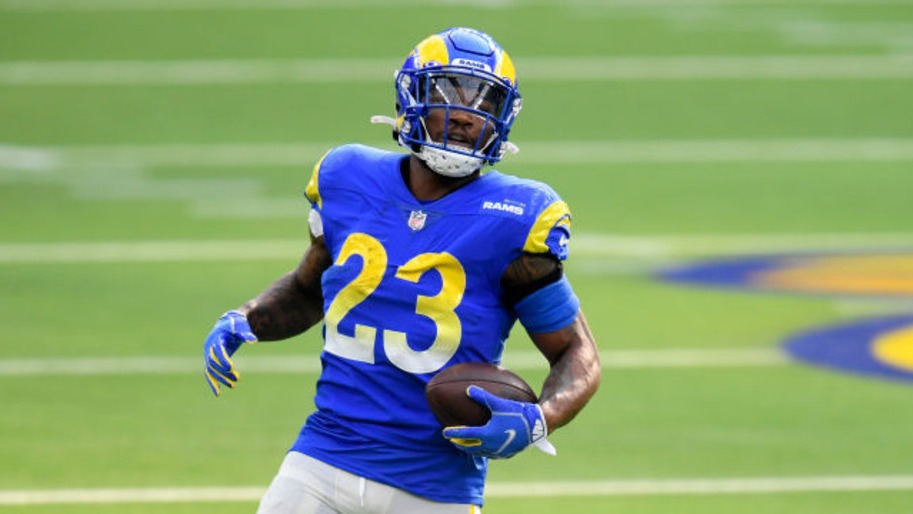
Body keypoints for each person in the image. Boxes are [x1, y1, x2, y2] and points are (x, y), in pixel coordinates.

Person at [203, 26, 601, 513]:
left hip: (434, 487)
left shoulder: (516, 217)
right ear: (410, 96)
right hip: (323, 458)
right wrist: (247, 317)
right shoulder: (346, 177)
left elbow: (576, 351)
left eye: (485, 101)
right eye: (448, 93)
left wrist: (541, 418)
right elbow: (310, 289)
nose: (466, 114)